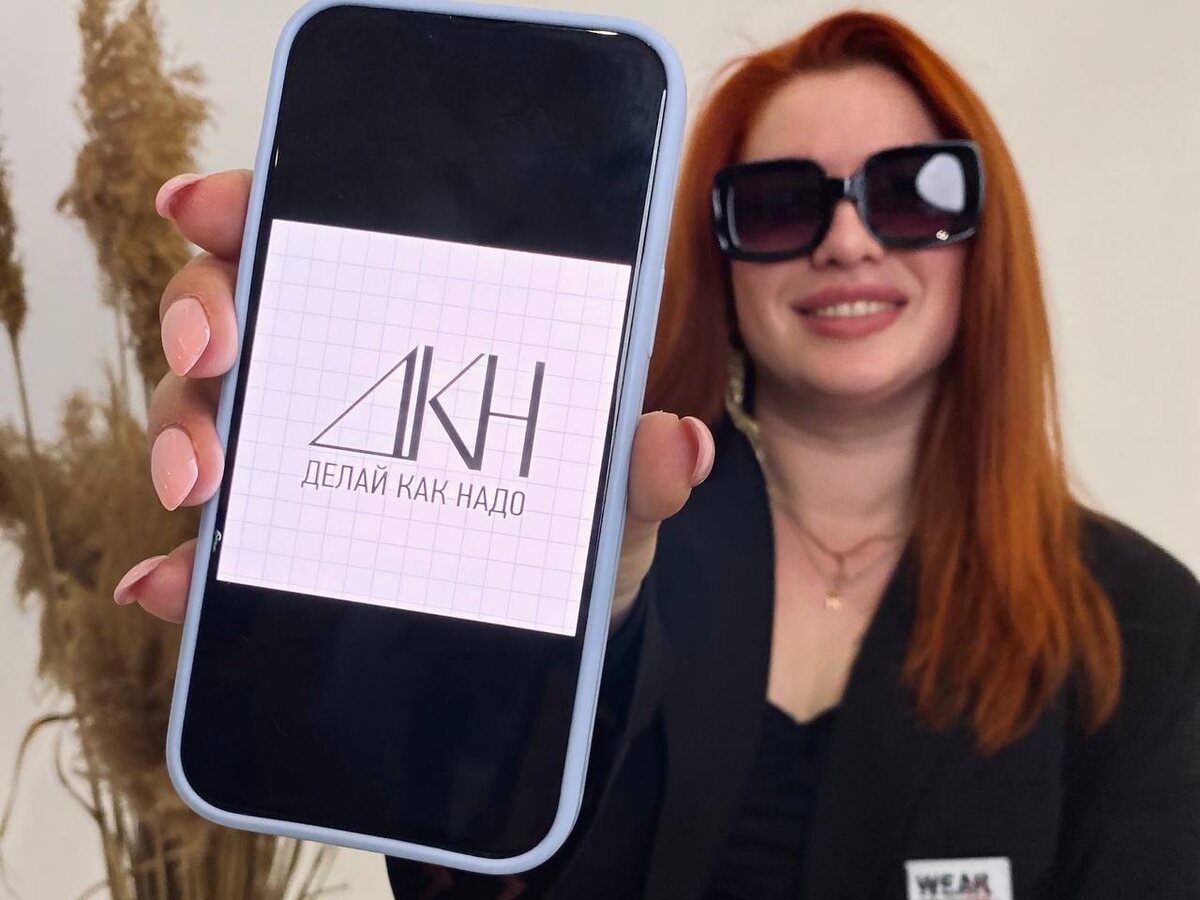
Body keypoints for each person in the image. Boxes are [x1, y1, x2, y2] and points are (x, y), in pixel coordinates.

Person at [114, 11, 1199, 899]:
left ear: (982, 237)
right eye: (779, 204)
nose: (847, 240)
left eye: (912, 190)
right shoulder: (591, 533)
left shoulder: (1145, 626)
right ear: (717, 259)